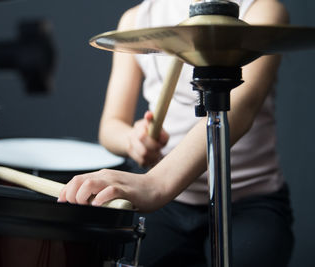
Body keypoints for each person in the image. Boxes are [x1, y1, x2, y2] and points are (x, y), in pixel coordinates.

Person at [59, 0, 294, 266]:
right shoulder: (137, 20)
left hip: (249, 200)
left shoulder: (260, 8)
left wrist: (154, 184)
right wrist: (132, 140)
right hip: (169, 206)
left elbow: (240, 107)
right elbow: (110, 126)